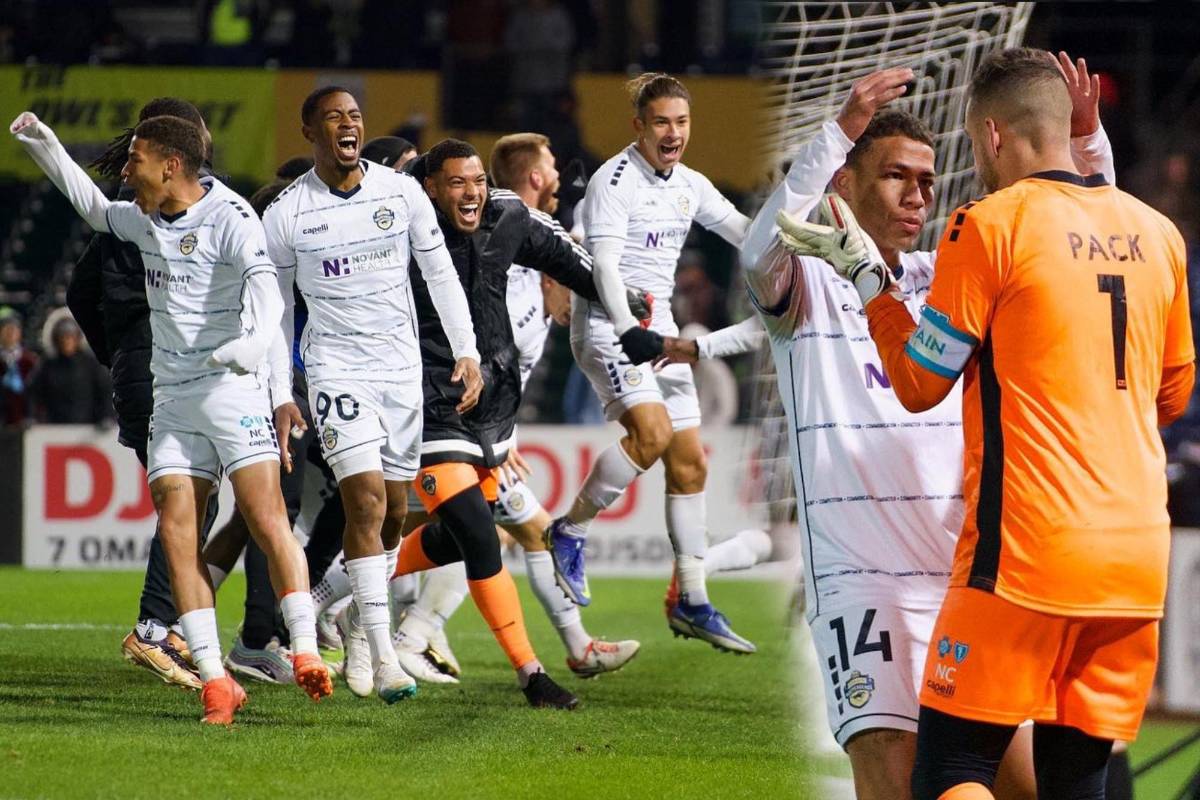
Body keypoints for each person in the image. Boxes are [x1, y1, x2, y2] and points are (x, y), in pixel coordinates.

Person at [780, 47, 1193, 800]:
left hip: (1025, 555)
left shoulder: (989, 224)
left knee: (951, 771)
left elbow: (917, 383)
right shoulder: (1159, 234)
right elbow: (1172, 397)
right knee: (1074, 782)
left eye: (973, 144)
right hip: (1136, 564)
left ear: (994, 136)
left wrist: (872, 286)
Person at [11, 111, 333, 724]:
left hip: (232, 391)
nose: (126, 171)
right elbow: (92, 209)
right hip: (173, 399)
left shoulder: (231, 216)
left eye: (135, 160)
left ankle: (305, 649)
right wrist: (43, 143)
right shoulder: (145, 219)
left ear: (171, 165)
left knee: (266, 518)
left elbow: (267, 291)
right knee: (177, 529)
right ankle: (215, 681)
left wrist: (250, 348)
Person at [386, 136, 647, 706]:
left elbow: (568, 261)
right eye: (456, 182)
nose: (471, 192)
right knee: (482, 535)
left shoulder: (507, 219)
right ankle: (532, 673)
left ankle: (346, 586)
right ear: (430, 188)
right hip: (430, 405)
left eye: (477, 181)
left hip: (493, 416)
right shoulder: (401, 227)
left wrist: (620, 299)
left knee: (462, 536)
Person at [263, 86, 482, 704]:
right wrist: (281, 390)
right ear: (310, 132)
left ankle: (361, 628)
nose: (348, 124)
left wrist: (465, 350)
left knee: (392, 513)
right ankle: (387, 659)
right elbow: (278, 312)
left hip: (400, 371)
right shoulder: (287, 214)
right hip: (336, 371)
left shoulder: (400, 192)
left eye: (355, 115)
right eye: (334, 117)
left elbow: (438, 271)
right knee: (362, 503)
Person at [544, 72, 756, 654]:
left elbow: (745, 232)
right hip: (609, 325)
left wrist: (799, 240)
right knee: (654, 434)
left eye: (682, 122)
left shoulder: (690, 184)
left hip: (657, 329)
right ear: (639, 125)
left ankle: (692, 599)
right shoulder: (614, 180)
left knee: (689, 465)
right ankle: (570, 530)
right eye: (661, 121)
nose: (673, 133)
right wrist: (626, 329)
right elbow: (605, 267)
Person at [68, 98, 221, 692]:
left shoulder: (123, 213)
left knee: (193, 499)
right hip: (168, 367)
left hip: (139, 366)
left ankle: (172, 625)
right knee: (188, 500)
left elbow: (80, 293)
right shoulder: (178, 206)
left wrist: (116, 354)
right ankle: (155, 629)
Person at [29, 312, 112, 424]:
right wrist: (33, 417)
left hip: (87, 427)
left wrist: (106, 417)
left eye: (70, 336)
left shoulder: (91, 363)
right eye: (62, 337)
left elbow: (105, 391)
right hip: (54, 427)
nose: (66, 341)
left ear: (77, 338)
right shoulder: (47, 364)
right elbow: (33, 392)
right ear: (56, 339)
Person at [0, 307, 37, 427]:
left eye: (14, 329)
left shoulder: (30, 360)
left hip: (24, 419)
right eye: (6, 329)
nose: (10, 333)